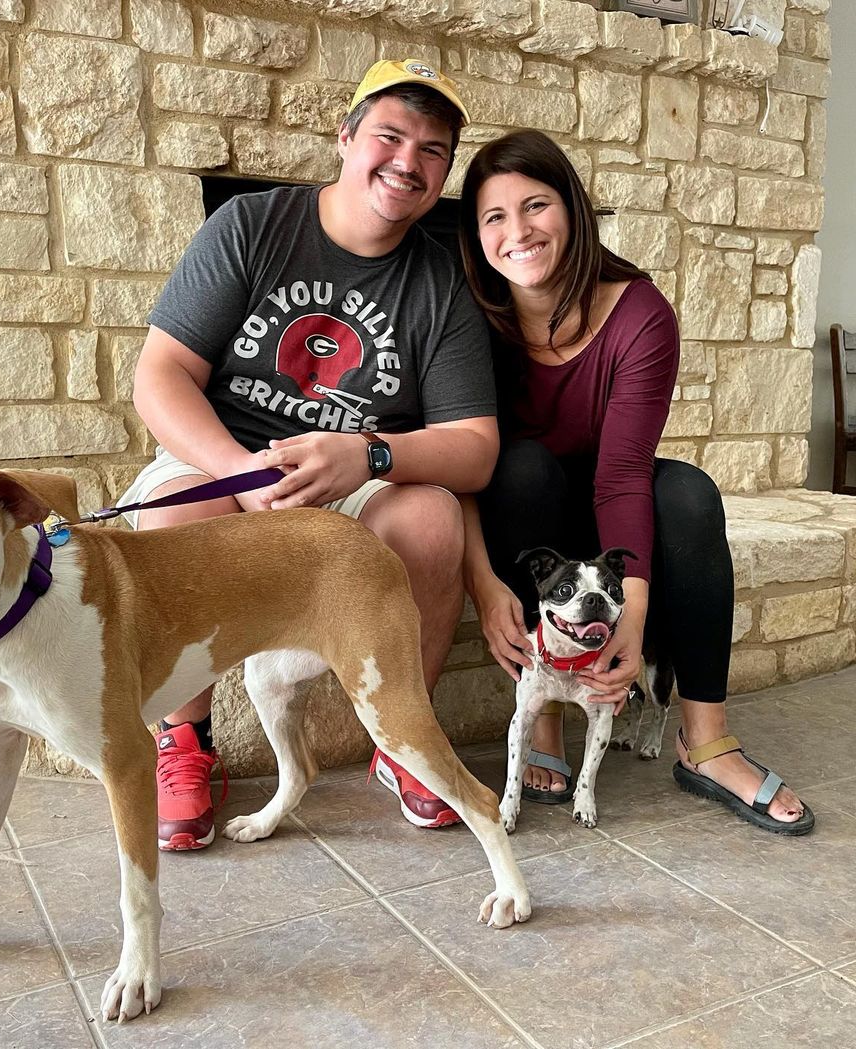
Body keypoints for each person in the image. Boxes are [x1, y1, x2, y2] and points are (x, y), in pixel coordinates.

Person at [123, 60, 501, 850]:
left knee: (434, 522)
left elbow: (476, 451)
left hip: (357, 477)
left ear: (445, 173)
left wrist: (368, 454)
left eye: (434, 149)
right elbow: (160, 377)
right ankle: (184, 741)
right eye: (390, 135)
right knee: (177, 517)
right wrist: (237, 470)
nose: (408, 160)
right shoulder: (253, 225)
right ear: (346, 138)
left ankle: (408, 743)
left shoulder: (441, 280)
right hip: (227, 462)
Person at [457, 129, 813, 835]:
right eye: (494, 216)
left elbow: (622, 474)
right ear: (475, 236)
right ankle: (549, 721)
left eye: (535, 205)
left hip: (608, 515)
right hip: (523, 516)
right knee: (520, 465)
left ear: (574, 210)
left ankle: (706, 739)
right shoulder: (469, 316)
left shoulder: (640, 314)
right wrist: (481, 580)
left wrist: (634, 610)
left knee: (688, 493)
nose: (517, 231)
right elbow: (460, 466)